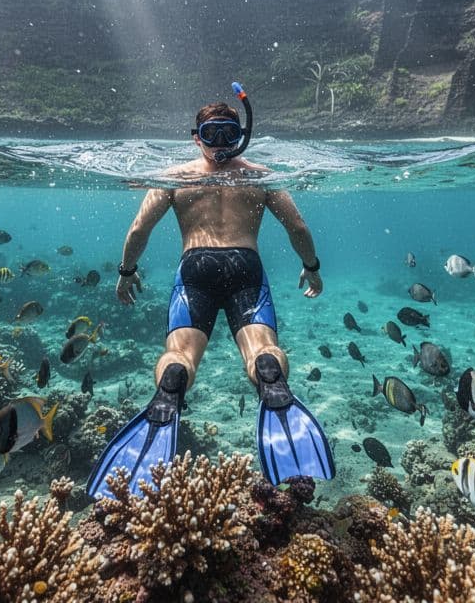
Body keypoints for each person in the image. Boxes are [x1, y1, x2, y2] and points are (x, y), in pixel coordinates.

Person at [87, 86, 335, 500]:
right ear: (199, 134)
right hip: (246, 267)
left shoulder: (175, 177)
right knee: (261, 346)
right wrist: (311, 268)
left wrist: (127, 273)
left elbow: (138, 230)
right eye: (212, 133)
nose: (219, 144)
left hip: (195, 268)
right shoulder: (260, 176)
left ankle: (171, 386)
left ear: (230, 135)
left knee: (181, 353)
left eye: (225, 134)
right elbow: (299, 228)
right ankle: (270, 381)